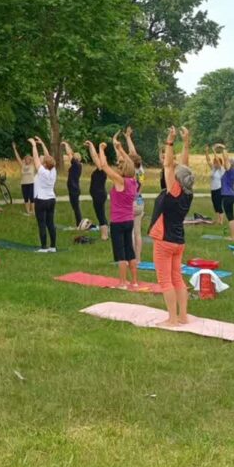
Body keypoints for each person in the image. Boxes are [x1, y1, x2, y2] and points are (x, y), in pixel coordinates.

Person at [148, 125, 194, 326]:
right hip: (178, 240)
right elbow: (184, 168)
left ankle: (172, 319)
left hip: (164, 240)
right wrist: (185, 143)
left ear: (176, 180)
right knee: (177, 279)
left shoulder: (173, 191)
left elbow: (169, 166)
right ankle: (183, 317)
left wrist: (170, 141)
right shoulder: (187, 191)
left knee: (165, 281)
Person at [89, 139, 140, 288]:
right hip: (129, 220)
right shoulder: (134, 181)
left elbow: (103, 166)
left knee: (121, 254)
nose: (117, 167)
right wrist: (120, 148)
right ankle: (135, 281)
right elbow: (131, 162)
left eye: (119, 166)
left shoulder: (120, 181)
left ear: (122, 169)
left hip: (118, 222)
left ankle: (123, 283)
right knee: (130, 251)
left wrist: (101, 149)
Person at [122, 126, 147, 265]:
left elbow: (131, 154)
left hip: (130, 202)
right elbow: (133, 152)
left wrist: (126, 138)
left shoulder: (130, 172)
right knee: (138, 233)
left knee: (129, 232)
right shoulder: (141, 169)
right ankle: (138, 259)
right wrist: (128, 137)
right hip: (140, 201)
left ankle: (129, 258)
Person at [29, 137, 58, 252]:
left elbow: (35, 158)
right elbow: (48, 157)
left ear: (45, 164)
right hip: (51, 199)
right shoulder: (53, 170)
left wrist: (34, 145)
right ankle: (53, 247)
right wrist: (42, 144)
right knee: (50, 223)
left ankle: (44, 247)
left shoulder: (42, 171)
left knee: (42, 223)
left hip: (41, 200)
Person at [87, 140, 110, 241]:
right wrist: (92, 146)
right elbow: (95, 157)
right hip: (98, 195)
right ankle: (105, 233)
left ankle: (104, 236)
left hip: (99, 195)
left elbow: (95, 157)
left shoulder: (102, 169)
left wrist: (94, 146)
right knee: (100, 214)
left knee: (100, 215)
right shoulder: (100, 169)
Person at [217, 146, 234, 240]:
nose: (226, 163)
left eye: (228, 162)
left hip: (228, 196)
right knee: (231, 216)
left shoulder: (230, 171)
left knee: (230, 217)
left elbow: (225, 160)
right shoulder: (230, 172)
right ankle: (233, 236)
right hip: (229, 196)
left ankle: (233, 237)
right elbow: (223, 161)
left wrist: (223, 149)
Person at [61, 141, 85, 228]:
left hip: (74, 189)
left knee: (76, 207)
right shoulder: (77, 165)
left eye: (74, 157)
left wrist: (66, 145)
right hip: (73, 188)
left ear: (76, 158)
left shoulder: (76, 164)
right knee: (75, 207)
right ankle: (79, 223)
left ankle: (79, 223)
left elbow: (69, 154)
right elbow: (70, 153)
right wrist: (69, 148)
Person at [204, 144, 226, 225]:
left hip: (219, 189)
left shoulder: (221, 169)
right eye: (214, 162)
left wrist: (214, 151)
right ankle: (217, 219)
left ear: (219, 163)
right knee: (215, 204)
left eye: (216, 162)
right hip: (213, 189)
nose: (214, 163)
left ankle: (221, 221)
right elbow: (208, 160)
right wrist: (206, 151)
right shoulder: (213, 169)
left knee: (219, 204)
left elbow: (217, 159)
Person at [12, 142, 35, 216]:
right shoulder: (22, 165)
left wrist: (33, 146)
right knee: (26, 198)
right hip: (24, 184)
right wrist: (14, 149)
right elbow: (18, 157)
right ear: (24, 159)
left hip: (31, 183)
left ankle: (33, 211)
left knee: (32, 198)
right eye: (26, 159)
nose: (27, 160)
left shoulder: (32, 164)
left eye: (28, 159)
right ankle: (28, 211)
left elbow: (35, 157)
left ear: (30, 159)